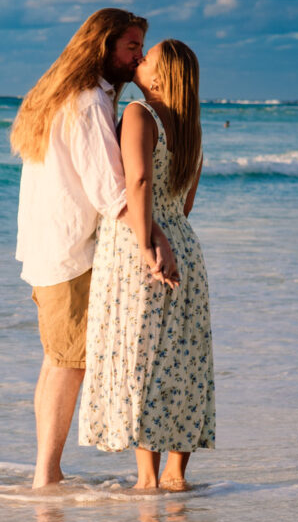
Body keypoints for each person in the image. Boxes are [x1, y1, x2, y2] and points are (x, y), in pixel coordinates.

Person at [12, 8, 175, 489]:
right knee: (70, 361)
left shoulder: (73, 95)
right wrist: (154, 238)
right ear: (103, 47)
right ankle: (47, 474)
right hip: (70, 250)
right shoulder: (86, 102)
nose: (138, 57)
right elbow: (109, 189)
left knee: (57, 359)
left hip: (50, 246)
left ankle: (47, 469)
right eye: (131, 48)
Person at [78, 40, 214, 492]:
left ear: (160, 77)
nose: (139, 60)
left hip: (142, 244)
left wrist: (143, 242)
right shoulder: (192, 129)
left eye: (147, 58)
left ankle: (147, 479)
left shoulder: (139, 113)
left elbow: (137, 180)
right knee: (183, 359)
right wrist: (168, 232)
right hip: (185, 245)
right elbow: (187, 202)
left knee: (143, 359)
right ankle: (177, 475)